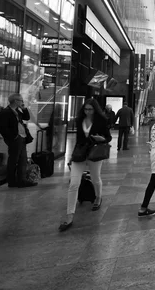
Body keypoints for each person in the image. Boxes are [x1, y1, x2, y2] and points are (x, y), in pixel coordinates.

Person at [59, 99, 112, 231]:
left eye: (90, 109)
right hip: (80, 153)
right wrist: (72, 156)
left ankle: (98, 197)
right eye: (86, 109)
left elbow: (108, 137)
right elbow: (78, 139)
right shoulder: (79, 120)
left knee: (95, 178)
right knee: (73, 183)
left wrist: (102, 139)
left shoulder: (101, 121)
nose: (87, 112)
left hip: (95, 153)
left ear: (95, 110)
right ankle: (69, 215)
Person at [0, 93, 36, 188]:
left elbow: (27, 117)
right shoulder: (5, 112)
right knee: (13, 160)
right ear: (15, 101)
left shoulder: (17, 111)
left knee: (23, 159)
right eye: (21, 100)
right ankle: (12, 181)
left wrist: (24, 108)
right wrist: (12, 138)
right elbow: (2, 128)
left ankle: (21, 180)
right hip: (15, 138)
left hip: (22, 137)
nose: (22, 102)